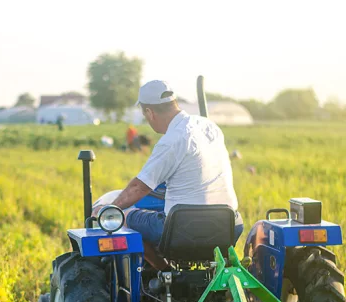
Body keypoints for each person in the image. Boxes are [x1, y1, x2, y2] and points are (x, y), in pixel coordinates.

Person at [93, 80, 241, 269]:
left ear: (149, 112)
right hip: (229, 225)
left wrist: (108, 209)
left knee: (124, 216)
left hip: (182, 229)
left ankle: (163, 270)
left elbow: (139, 187)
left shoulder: (172, 139)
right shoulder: (209, 126)